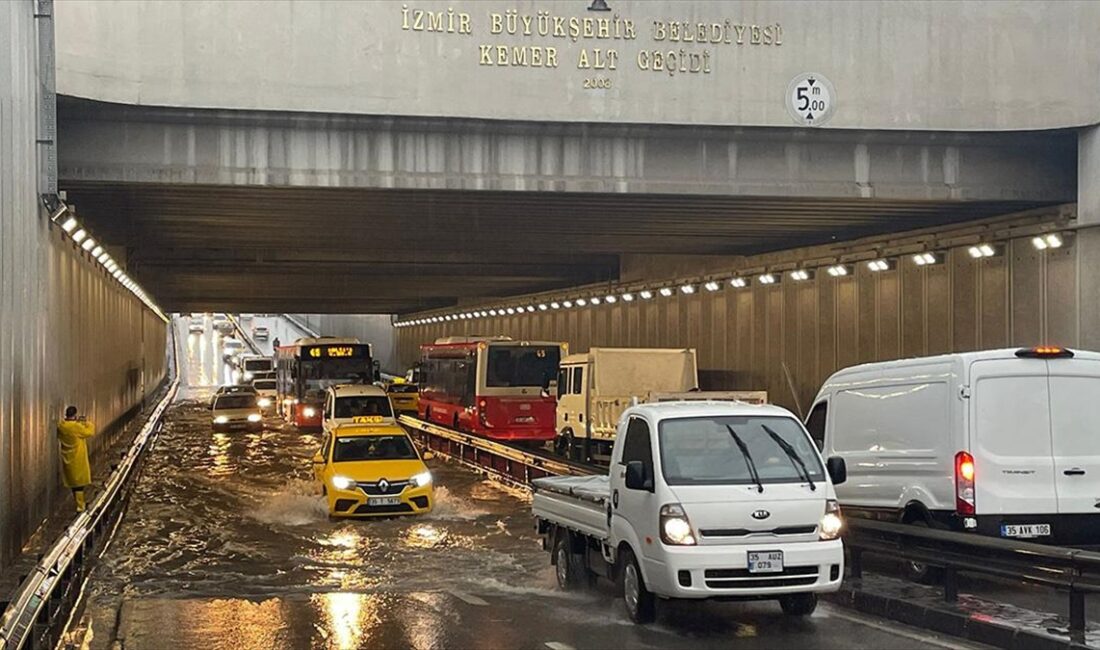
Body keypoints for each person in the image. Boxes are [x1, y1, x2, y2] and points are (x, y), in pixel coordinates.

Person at [57, 406, 95, 512]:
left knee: (73, 483)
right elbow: (90, 432)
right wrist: (86, 422)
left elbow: (60, 433)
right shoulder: (76, 427)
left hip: (67, 457)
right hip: (78, 458)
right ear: (75, 415)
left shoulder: (61, 426)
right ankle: (80, 506)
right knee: (79, 484)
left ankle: (79, 503)